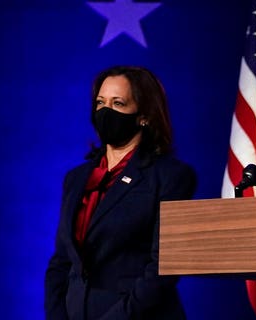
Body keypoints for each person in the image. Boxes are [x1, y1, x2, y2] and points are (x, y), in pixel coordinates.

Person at [45, 66, 197, 320]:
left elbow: (162, 268)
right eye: (100, 103)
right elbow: (62, 261)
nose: (106, 112)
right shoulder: (76, 179)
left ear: (144, 116)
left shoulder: (171, 177)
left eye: (118, 104)